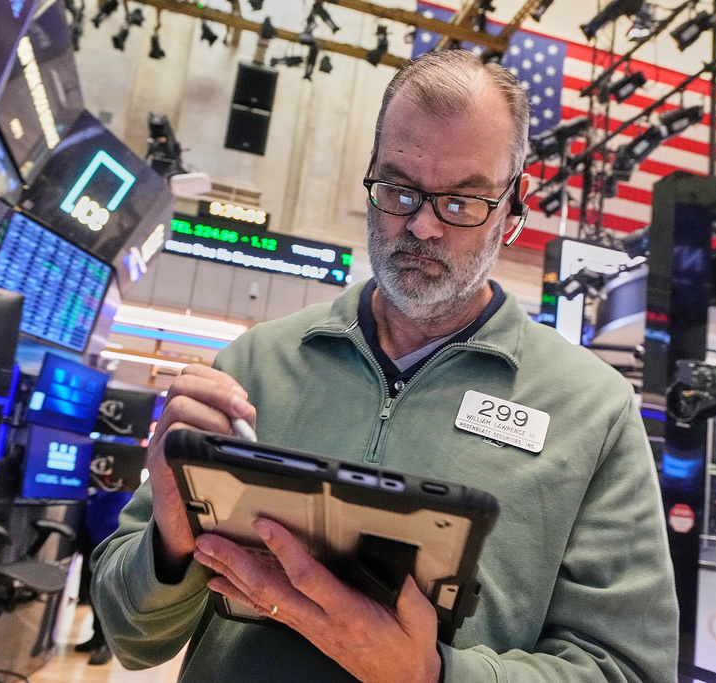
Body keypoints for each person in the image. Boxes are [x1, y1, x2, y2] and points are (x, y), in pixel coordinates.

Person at [91, 49, 678, 682]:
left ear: (514, 207)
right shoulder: (253, 365)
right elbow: (131, 635)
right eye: (399, 190)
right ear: (370, 175)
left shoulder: (593, 411)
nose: (422, 227)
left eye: (462, 202)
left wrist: (434, 676)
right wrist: (172, 545)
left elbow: (628, 670)